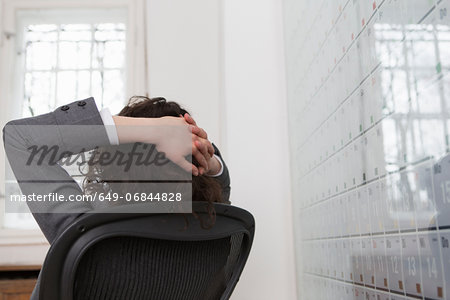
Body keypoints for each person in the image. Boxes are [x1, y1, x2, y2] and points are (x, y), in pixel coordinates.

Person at [3, 96, 231, 299]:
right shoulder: (214, 229)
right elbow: (222, 181)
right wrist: (204, 157)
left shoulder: (88, 235)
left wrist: (153, 130)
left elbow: (21, 137)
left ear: (114, 164)